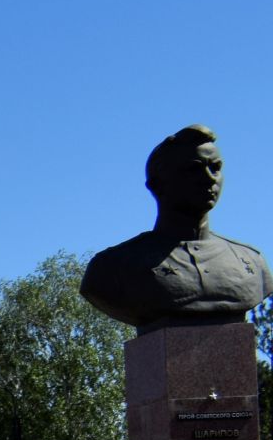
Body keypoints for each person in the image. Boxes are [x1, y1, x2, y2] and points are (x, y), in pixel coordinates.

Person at [80, 125, 273, 332]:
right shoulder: (113, 267)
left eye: (215, 168)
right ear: (157, 184)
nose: (210, 178)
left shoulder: (251, 261)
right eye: (193, 169)